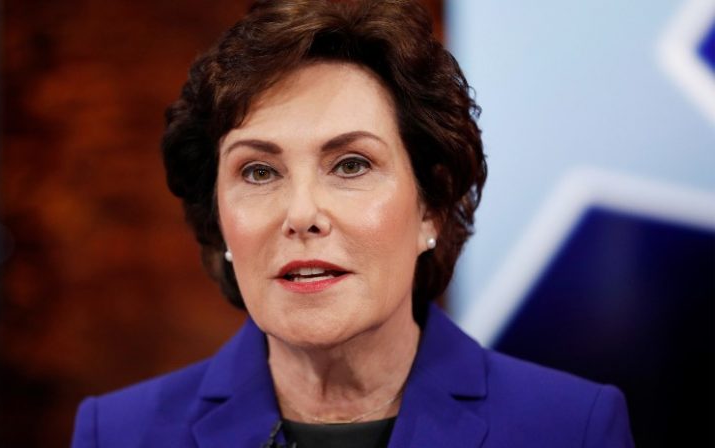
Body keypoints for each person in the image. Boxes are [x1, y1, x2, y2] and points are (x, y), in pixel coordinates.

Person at [71, 0, 635, 446]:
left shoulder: (572, 427)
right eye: (259, 171)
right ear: (219, 221)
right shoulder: (116, 433)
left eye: (350, 165)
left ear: (431, 207)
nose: (301, 215)